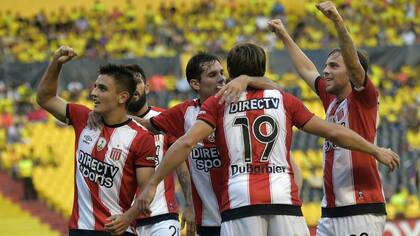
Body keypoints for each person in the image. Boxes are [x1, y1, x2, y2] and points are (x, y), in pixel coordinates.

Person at [136, 42, 399, 236]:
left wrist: (152, 184)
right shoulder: (283, 98)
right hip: (283, 197)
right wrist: (374, 150)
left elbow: (183, 143)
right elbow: (334, 131)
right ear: (263, 69)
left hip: (239, 200)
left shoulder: (218, 104)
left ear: (231, 71)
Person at [268, 1, 394, 235]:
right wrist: (284, 35)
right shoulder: (331, 100)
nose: (325, 70)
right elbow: (307, 70)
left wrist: (337, 21)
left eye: (334, 66)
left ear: (353, 73)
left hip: (360, 208)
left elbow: (355, 65)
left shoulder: (365, 99)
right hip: (331, 211)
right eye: (326, 65)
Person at [134, 52, 288, 236]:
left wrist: (246, 79)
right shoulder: (184, 113)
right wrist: (103, 115)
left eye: (222, 73)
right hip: (207, 219)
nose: (222, 79)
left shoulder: (239, 103)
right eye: (213, 75)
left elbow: (276, 89)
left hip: (242, 211)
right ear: (195, 84)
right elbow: (145, 124)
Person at [36, 46, 156, 236]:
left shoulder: (141, 138)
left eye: (102, 89)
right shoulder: (82, 117)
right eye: (94, 86)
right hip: (80, 229)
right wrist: (56, 64)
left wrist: (128, 217)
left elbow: (147, 189)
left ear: (122, 97)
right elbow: (45, 98)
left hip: (118, 230)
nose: (94, 93)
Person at [102, 64, 196, 236]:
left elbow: (181, 167)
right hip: (124, 220)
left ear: (146, 86)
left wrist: (190, 205)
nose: (134, 85)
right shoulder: (110, 125)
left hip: (162, 215)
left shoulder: (164, 119)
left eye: (137, 80)